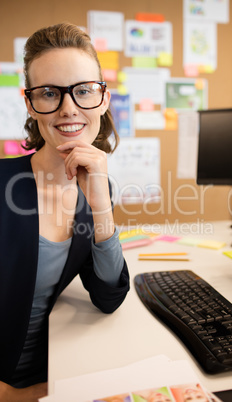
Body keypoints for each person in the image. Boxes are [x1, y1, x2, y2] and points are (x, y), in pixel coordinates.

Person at [0, 22, 130, 401]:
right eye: (49, 93)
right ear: (30, 103)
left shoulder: (94, 187)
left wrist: (100, 205)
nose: (68, 108)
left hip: (57, 370)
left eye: (84, 90)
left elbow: (108, 295)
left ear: (103, 98)